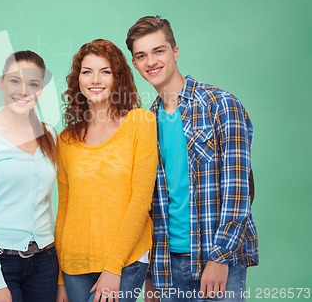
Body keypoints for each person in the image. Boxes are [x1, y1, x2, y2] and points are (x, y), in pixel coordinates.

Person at [125, 16, 259, 302]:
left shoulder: (220, 104)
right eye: (141, 55)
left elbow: (239, 189)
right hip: (166, 266)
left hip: (216, 259)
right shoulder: (146, 122)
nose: (151, 61)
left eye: (158, 51)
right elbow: (148, 203)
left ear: (175, 51)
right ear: (135, 64)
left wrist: (220, 258)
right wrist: (149, 275)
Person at [55, 39, 158, 302]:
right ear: (78, 79)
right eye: (87, 71)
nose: (95, 79)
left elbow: (140, 201)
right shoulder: (66, 139)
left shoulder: (140, 123)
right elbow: (65, 209)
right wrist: (60, 280)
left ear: (118, 78)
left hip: (125, 261)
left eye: (105, 71)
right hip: (73, 266)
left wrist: (114, 266)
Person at [0, 50, 59, 302]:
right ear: (1, 83)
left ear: (40, 91)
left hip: (45, 261)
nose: (23, 90)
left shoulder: (49, 134)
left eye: (33, 84)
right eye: (15, 81)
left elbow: (47, 203)